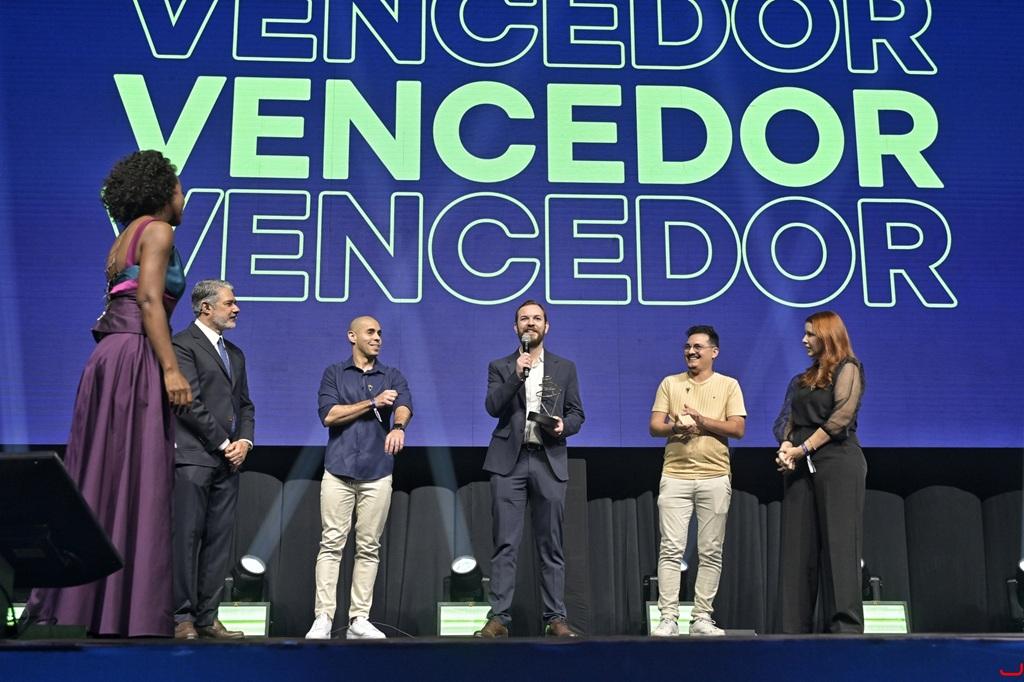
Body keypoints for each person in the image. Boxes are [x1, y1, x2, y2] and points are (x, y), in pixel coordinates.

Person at [25, 150, 192, 637]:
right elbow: (147, 301)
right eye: (179, 189)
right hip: (136, 357)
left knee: (100, 471)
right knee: (137, 473)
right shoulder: (160, 231)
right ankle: (128, 610)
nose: (184, 198)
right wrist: (171, 369)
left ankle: (83, 605)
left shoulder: (122, 238)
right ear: (161, 193)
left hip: (107, 359)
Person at [475, 300, 585, 638]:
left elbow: (577, 414)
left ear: (546, 327)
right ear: (516, 328)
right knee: (505, 543)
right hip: (509, 461)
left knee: (550, 544)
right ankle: (499, 619)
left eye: (537, 319)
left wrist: (562, 426)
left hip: (548, 459)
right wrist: (515, 375)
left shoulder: (564, 367)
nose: (530, 324)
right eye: (524, 319)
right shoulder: (501, 365)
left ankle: (555, 618)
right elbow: (493, 406)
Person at [305, 316, 412, 640]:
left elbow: (405, 405)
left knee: (368, 547)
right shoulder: (334, 374)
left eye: (380, 332)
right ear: (352, 336)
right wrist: (373, 403)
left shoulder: (391, 374)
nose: (377, 337)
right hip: (338, 471)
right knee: (331, 543)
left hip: (377, 473)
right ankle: (323, 617)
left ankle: (358, 620)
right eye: (370, 332)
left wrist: (398, 426)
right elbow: (329, 415)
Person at [648, 325, 746, 637]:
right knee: (670, 549)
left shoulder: (729, 385)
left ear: (713, 352)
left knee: (710, 550)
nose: (691, 352)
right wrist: (675, 427)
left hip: (715, 475)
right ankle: (668, 618)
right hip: (675, 475)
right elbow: (654, 426)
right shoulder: (670, 383)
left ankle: (702, 616)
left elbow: (737, 429)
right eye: (688, 347)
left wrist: (702, 421)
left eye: (698, 347)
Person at [171, 280, 255, 640]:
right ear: (206, 308)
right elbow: (187, 401)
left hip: (228, 462)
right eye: (230, 303)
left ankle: (207, 617)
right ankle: (181, 618)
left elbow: (245, 405)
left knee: (219, 541)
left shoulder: (234, 353)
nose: (236, 309)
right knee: (186, 539)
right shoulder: (182, 345)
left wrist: (245, 442)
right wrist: (224, 442)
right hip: (194, 457)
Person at [775, 310, 866, 633]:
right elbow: (786, 421)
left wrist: (803, 449)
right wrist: (787, 447)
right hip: (800, 464)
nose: (804, 340)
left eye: (810, 334)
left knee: (840, 544)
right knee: (798, 551)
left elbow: (841, 417)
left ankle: (845, 629)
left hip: (837, 462)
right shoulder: (802, 379)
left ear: (828, 336)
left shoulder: (848, 368)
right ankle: (793, 630)